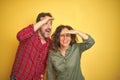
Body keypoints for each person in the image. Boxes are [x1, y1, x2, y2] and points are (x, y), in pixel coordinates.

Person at [10, 12, 54, 80]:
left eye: (51, 24)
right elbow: (19, 36)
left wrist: (41, 76)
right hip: (19, 77)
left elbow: (43, 63)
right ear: (39, 24)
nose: (49, 27)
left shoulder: (50, 43)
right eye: (45, 23)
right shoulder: (29, 34)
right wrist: (42, 21)